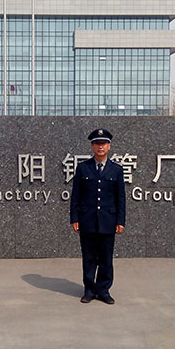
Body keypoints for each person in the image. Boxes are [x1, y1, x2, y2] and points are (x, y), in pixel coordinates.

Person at [70, 128, 126, 304]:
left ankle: (103, 290)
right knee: (88, 258)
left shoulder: (116, 170)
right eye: (96, 143)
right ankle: (89, 290)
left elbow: (120, 198)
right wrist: (74, 218)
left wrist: (120, 221)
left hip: (108, 221)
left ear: (109, 146)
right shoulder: (83, 168)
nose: (100, 147)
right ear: (92, 146)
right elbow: (76, 195)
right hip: (87, 220)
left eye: (103, 143)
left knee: (106, 259)